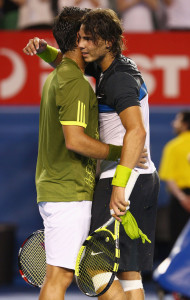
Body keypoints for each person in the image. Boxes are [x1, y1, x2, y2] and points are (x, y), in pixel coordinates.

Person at [23, 8, 159, 300]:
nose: (82, 45)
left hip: (126, 178)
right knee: (125, 270)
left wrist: (120, 183)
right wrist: (46, 50)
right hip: (118, 176)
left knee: (97, 267)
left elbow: (137, 133)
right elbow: (68, 63)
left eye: (89, 39)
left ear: (106, 42)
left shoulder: (119, 78)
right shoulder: (104, 67)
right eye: (80, 38)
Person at [159, 111, 190, 249]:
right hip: (182, 197)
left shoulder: (173, 146)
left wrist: (182, 198)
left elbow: (169, 177)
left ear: (185, 125)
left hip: (180, 200)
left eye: (177, 121)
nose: (173, 123)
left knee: (178, 241)